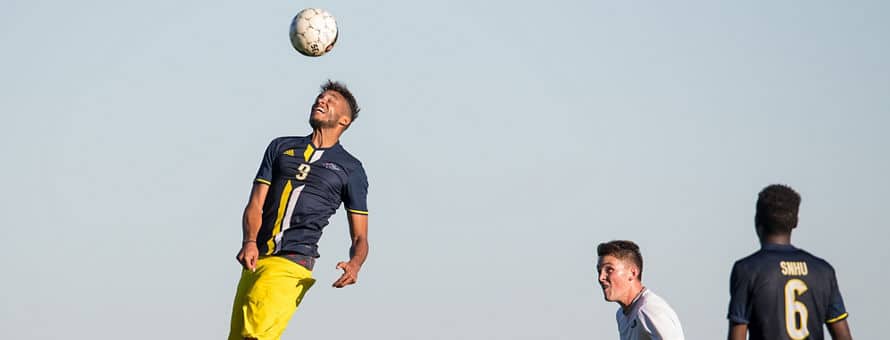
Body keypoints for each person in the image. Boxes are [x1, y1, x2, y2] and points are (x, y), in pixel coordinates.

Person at [229, 80, 370, 340]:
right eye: (320, 97)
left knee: (254, 336)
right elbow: (255, 203)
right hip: (256, 260)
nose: (321, 101)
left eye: (331, 100)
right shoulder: (280, 147)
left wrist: (355, 264)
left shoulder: (351, 169)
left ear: (344, 121)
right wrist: (249, 241)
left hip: (292, 263)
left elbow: (360, 237)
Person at [727, 184, 853, 340]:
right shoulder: (823, 271)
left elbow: (737, 335)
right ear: (796, 222)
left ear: (757, 219)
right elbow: (844, 336)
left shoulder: (747, 270)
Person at [596, 240, 685, 340]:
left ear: (632, 273)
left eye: (609, 270)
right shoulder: (621, 315)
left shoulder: (649, 309)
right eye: (599, 271)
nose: (601, 277)